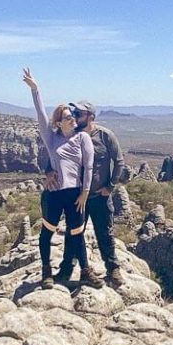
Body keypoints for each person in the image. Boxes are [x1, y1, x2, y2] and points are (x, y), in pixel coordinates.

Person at [22, 68, 102, 289]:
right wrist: (36, 90)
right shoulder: (52, 138)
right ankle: (46, 272)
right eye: (68, 117)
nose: (73, 118)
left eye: (73, 115)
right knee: (47, 233)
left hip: (75, 194)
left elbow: (89, 166)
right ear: (59, 122)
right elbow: (41, 115)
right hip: (54, 194)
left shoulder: (83, 138)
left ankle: (85, 271)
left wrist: (85, 192)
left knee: (77, 233)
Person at [44, 100, 125, 286]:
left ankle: (113, 269)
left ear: (90, 117)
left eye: (79, 113)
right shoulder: (72, 135)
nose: (75, 115)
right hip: (76, 197)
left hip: (99, 196)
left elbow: (119, 162)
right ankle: (66, 270)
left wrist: (110, 186)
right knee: (74, 234)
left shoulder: (105, 136)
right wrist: (48, 171)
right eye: (74, 112)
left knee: (105, 233)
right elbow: (54, 156)